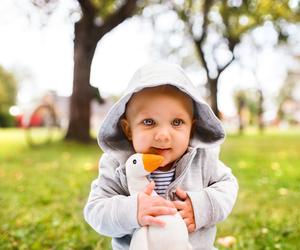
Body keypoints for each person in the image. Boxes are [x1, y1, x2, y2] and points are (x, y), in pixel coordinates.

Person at [83, 62, 238, 250]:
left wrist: (202, 207)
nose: (163, 135)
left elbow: (228, 186)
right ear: (128, 129)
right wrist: (132, 210)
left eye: (177, 122)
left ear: (192, 128)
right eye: (149, 122)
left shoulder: (203, 159)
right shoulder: (117, 164)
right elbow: (95, 210)